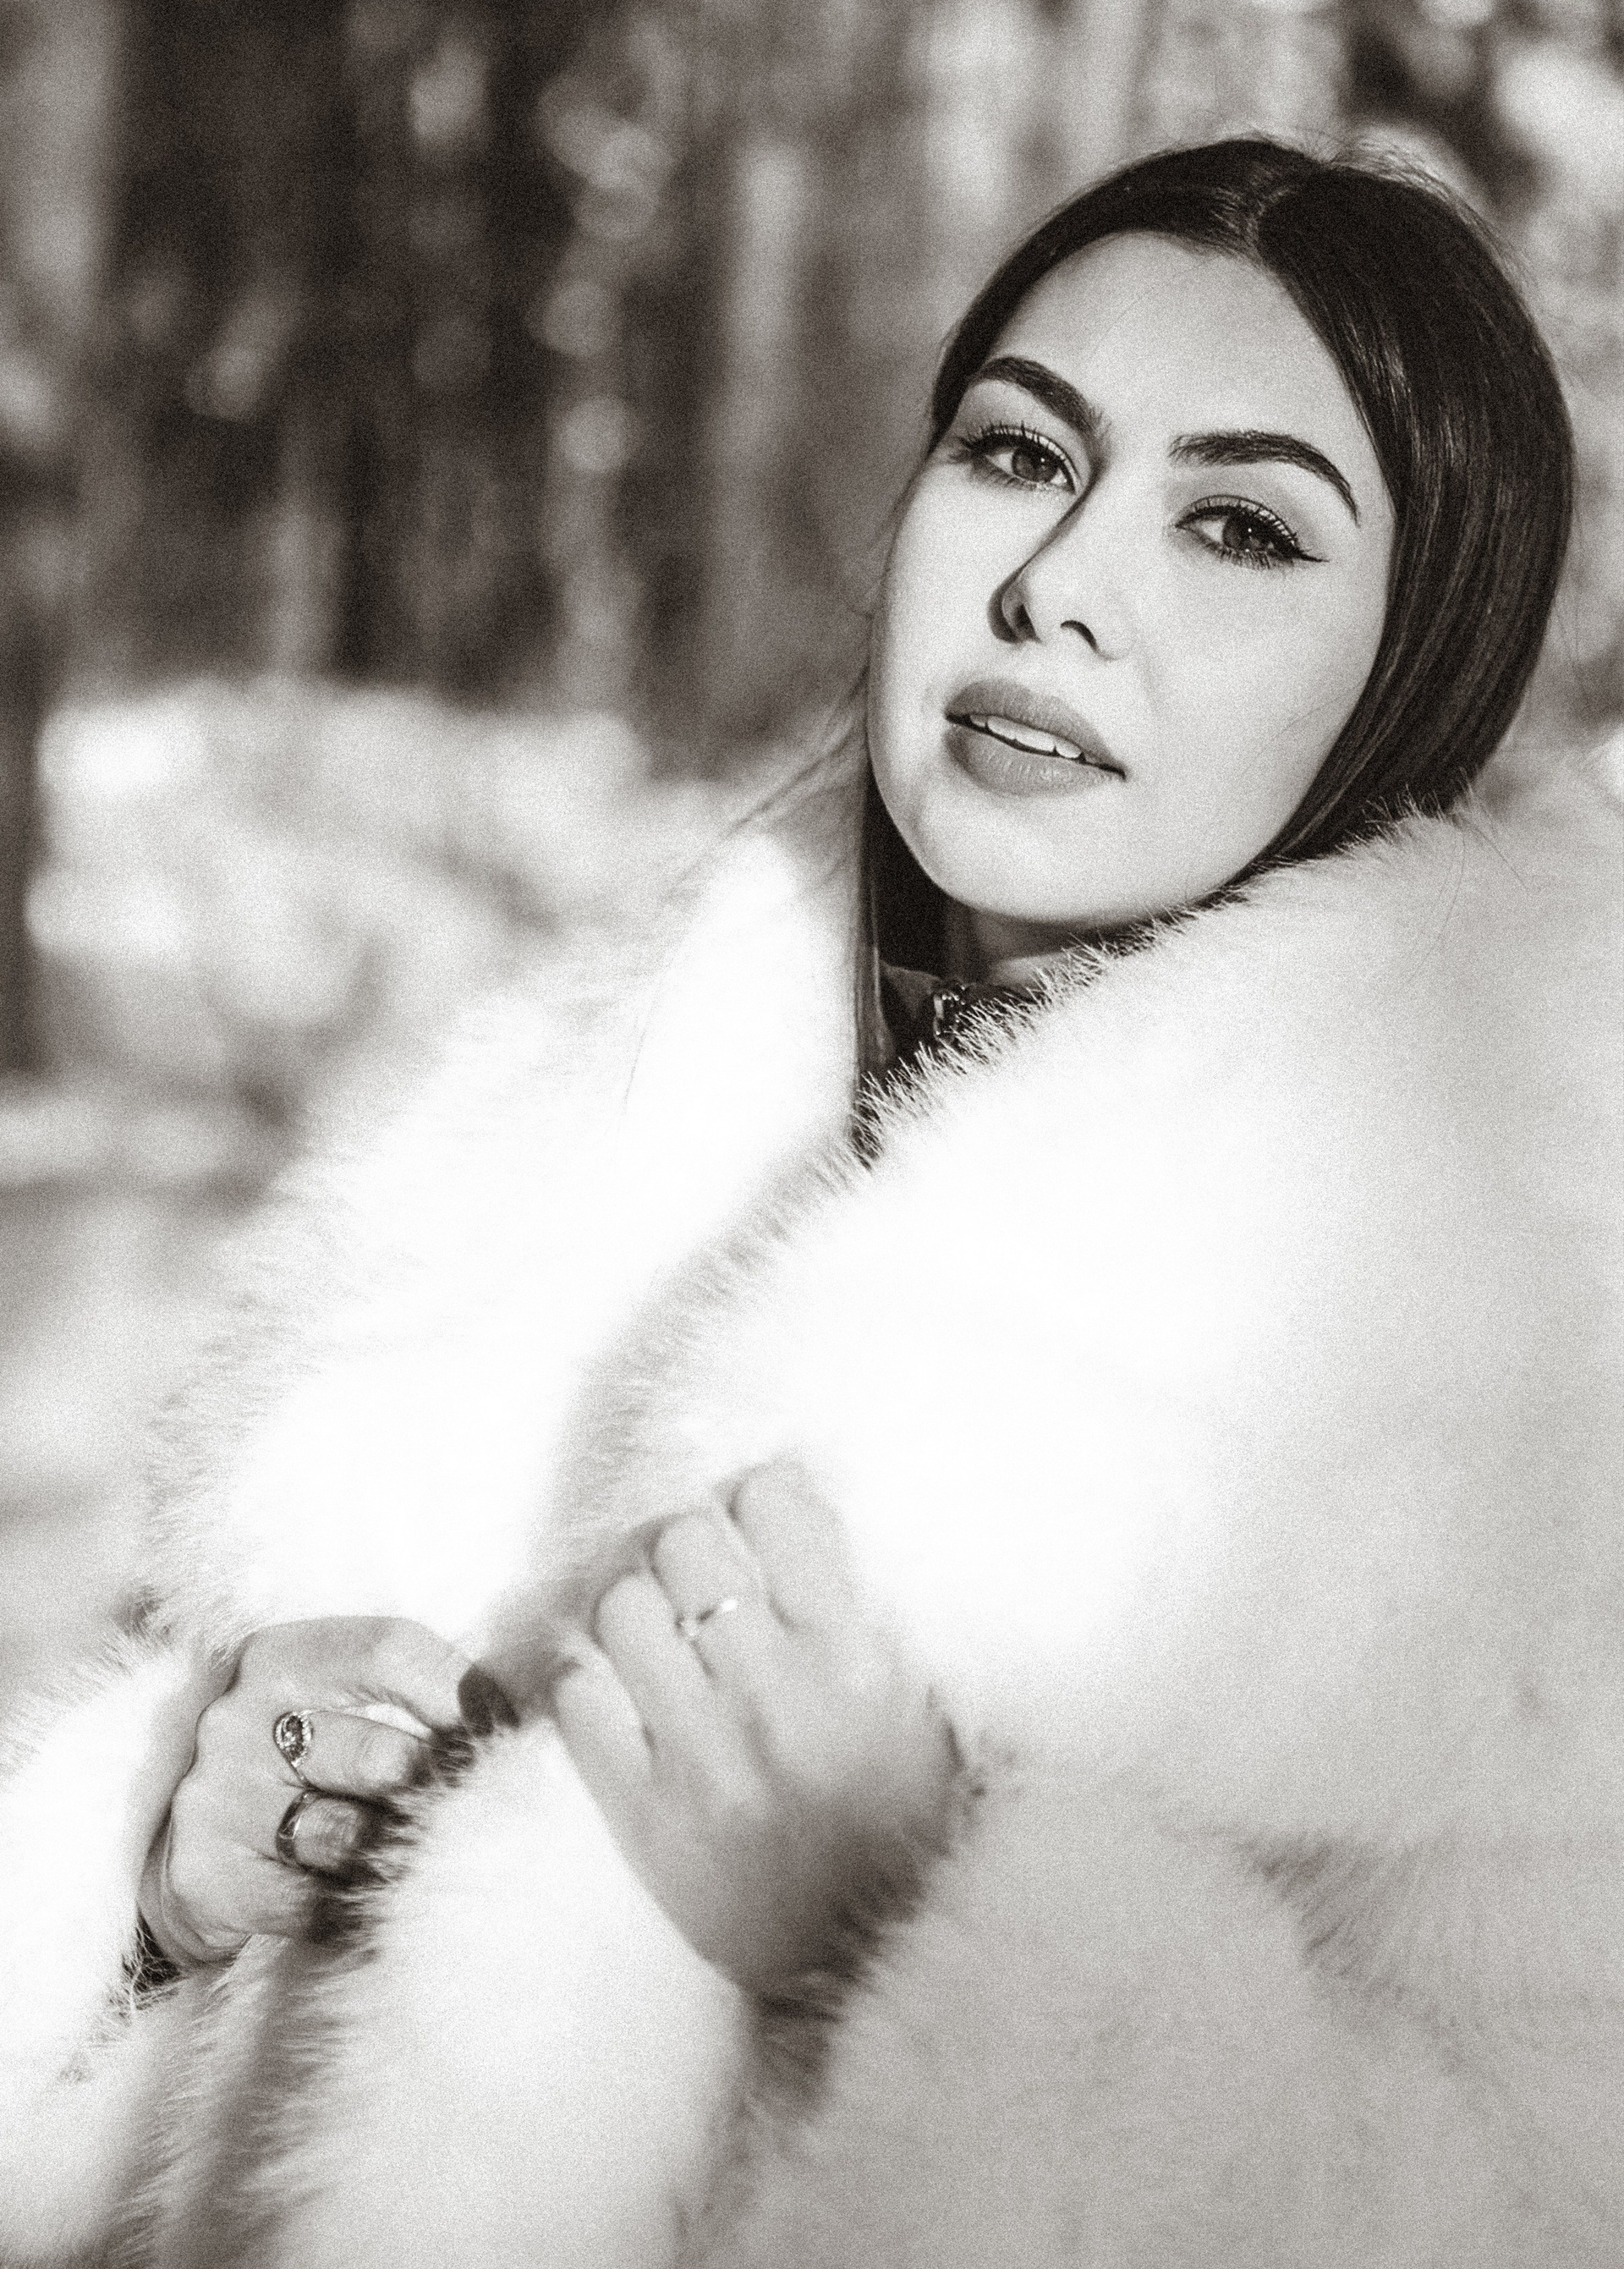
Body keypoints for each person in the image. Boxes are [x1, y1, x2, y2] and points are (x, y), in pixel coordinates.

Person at [1, 138, 1618, 2268]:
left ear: (1420, 672)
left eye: (1239, 526)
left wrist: (912, 1923)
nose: (1058, 582)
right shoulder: (551, 1128)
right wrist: (151, 1883)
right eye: (1018, 452)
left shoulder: (1525, 1340)